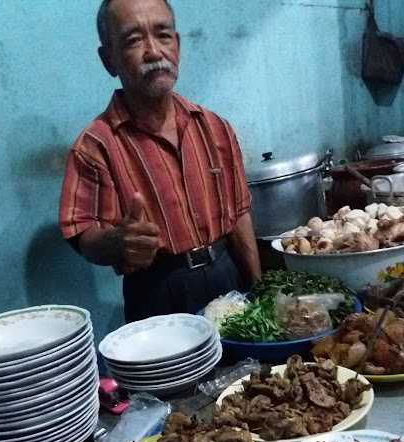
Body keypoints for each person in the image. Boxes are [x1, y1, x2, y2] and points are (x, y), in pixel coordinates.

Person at [60, 0, 261, 322]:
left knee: (251, 371)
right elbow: (82, 233)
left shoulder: (214, 128)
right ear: (108, 59)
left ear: (177, 46)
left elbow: (239, 215)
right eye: (133, 40)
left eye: (163, 35)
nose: (153, 52)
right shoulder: (95, 146)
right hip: (158, 292)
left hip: (228, 276)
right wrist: (116, 243)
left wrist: (258, 287)